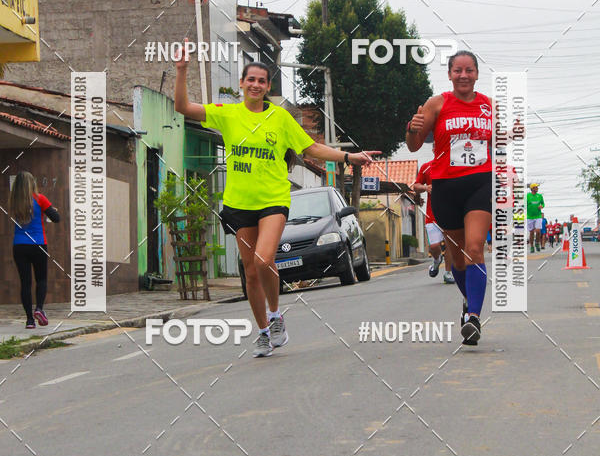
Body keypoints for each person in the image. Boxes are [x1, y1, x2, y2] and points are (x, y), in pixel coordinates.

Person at [175, 54, 372, 357]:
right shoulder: (227, 114)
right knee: (251, 272)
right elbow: (183, 108)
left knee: (264, 259)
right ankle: (264, 331)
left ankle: (277, 314)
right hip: (239, 203)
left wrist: (349, 157)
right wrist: (182, 70)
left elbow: (311, 147)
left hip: (273, 200)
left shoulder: (280, 118)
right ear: (242, 84)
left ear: (267, 87)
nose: (255, 84)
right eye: (250, 79)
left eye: (261, 81)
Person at [406, 50, 492, 345]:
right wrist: (411, 128)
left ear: (477, 74)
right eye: (458, 70)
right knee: (457, 258)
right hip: (445, 187)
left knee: (474, 248)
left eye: (469, 70)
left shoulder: (489, 106)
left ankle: (475, 319)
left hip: (480, 183)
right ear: (450, 74)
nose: (464, 75)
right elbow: (414, 146)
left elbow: (500, 142)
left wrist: (511, 134)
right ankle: (469, 302)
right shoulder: (437, 103)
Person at [9, 171, 60, 329]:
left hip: (19, 245)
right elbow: (56, 218)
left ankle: (30, 320)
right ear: (32, 183)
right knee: (41, 279)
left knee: (25, 283)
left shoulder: (13, 201)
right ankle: (39, 309)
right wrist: (52, 210)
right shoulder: (40, 198)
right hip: (38, 244)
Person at [412, 159, 454, 283]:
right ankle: (436, 261)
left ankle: (448, 273)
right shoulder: (426, 166)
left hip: (451, 213)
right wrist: (425, 187)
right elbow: (416, 186)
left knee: (450, 244)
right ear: (433, 148)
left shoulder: (454, 164)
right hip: (433, 215)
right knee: (434, 246)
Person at [527, 183, 545, 253]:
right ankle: (531, 246)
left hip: (538, 216)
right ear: (532, 188)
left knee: (538, 231)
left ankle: (537, 243)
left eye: (537, 187)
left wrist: (542, 206)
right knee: (531, 232)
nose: (537, 188)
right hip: (529, 217)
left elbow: (543, 203)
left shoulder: (540, 196)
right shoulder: (527, 196)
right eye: (536, 187)